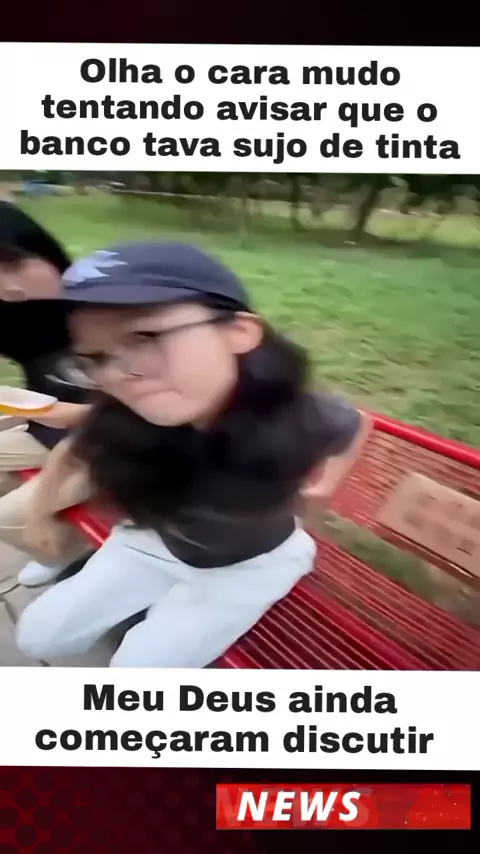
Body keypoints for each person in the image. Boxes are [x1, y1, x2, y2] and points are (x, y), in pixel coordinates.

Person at [17, 242, 369, 667]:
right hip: (151, 540)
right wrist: (39, 514)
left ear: (238, 332)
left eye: (145, 337)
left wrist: (326, 486)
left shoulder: (298, 416)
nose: (117, 375)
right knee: (37, 638)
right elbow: (74, 450)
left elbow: (356, 423)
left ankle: (291, 560)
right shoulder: (125, 416)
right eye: (94, 358)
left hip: (247, 563)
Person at [0, 200, 92, 586]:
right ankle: (52, 543)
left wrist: (68, 415)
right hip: (49, 428)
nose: (10, 287)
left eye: (16, 265)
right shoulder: (15, 311)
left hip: (116, 442)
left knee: (9, 516)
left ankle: (73, 551)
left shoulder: (106, 307)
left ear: (44, 251)